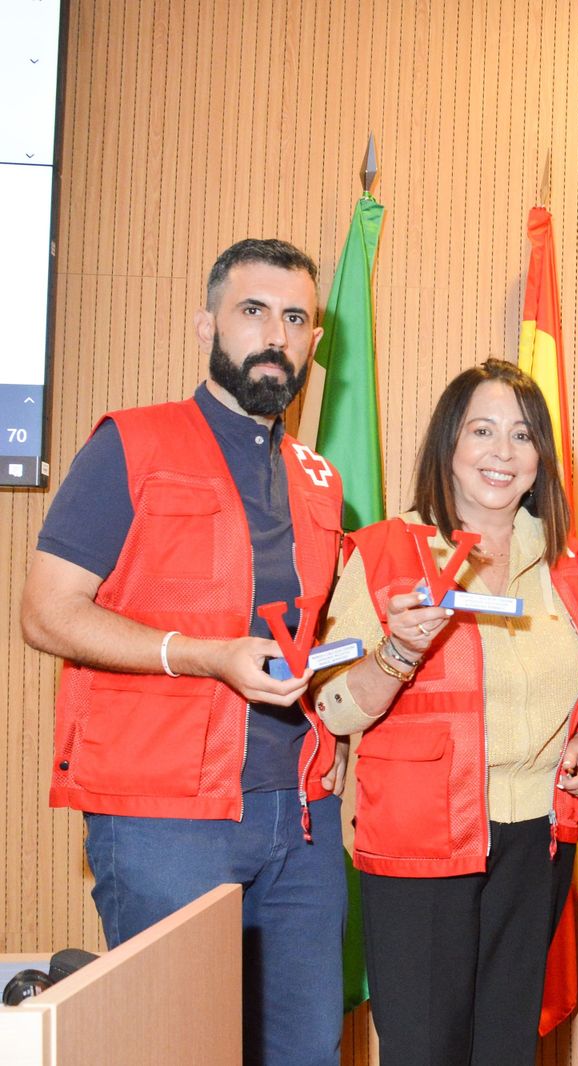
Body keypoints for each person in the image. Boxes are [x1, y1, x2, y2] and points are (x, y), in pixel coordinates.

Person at [21, 238, 348, 1065]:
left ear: (313, 342)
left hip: (301, 818)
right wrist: (199, 655)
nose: (275, 334)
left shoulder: (321, 480)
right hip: (162, 816)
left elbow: (305, 636)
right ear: (207, 324)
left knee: (306, 1051)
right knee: (178, 1050)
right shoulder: (129, 444)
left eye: (296, 318)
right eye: (253, 311)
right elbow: (47, 613)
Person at [309, 360, 578, 1065]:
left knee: (507, 1049)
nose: (503, 451)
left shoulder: (570, 566)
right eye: (482, 430)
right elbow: (331, 708)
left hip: (539, 839)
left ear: (541, 459)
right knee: (425, 1050)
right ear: (449, 443)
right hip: (421, 840)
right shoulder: (386, 551)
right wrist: (397, 654)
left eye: (522, 435)